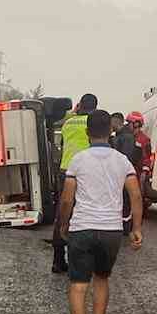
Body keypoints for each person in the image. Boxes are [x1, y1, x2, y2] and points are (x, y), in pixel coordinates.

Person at [58, 108, 142, 314]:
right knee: (102, 278)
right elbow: (135, 195)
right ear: (111, 132)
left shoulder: (78, 161)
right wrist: (136, 228)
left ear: (86, 133)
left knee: (78, 285)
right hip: (111, 231)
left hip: (82, 227)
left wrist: (64, 224)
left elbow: (67, 199)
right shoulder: (122, 162)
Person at [51, 93, 98, 273]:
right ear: (95, 107)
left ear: (80, 105)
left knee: (63, 213)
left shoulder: (68, 123)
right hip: (87, 172)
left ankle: (57, 260)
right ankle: (80, 260)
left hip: (66, 170)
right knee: (85, 214)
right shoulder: (93, 123)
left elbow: (63, 143)